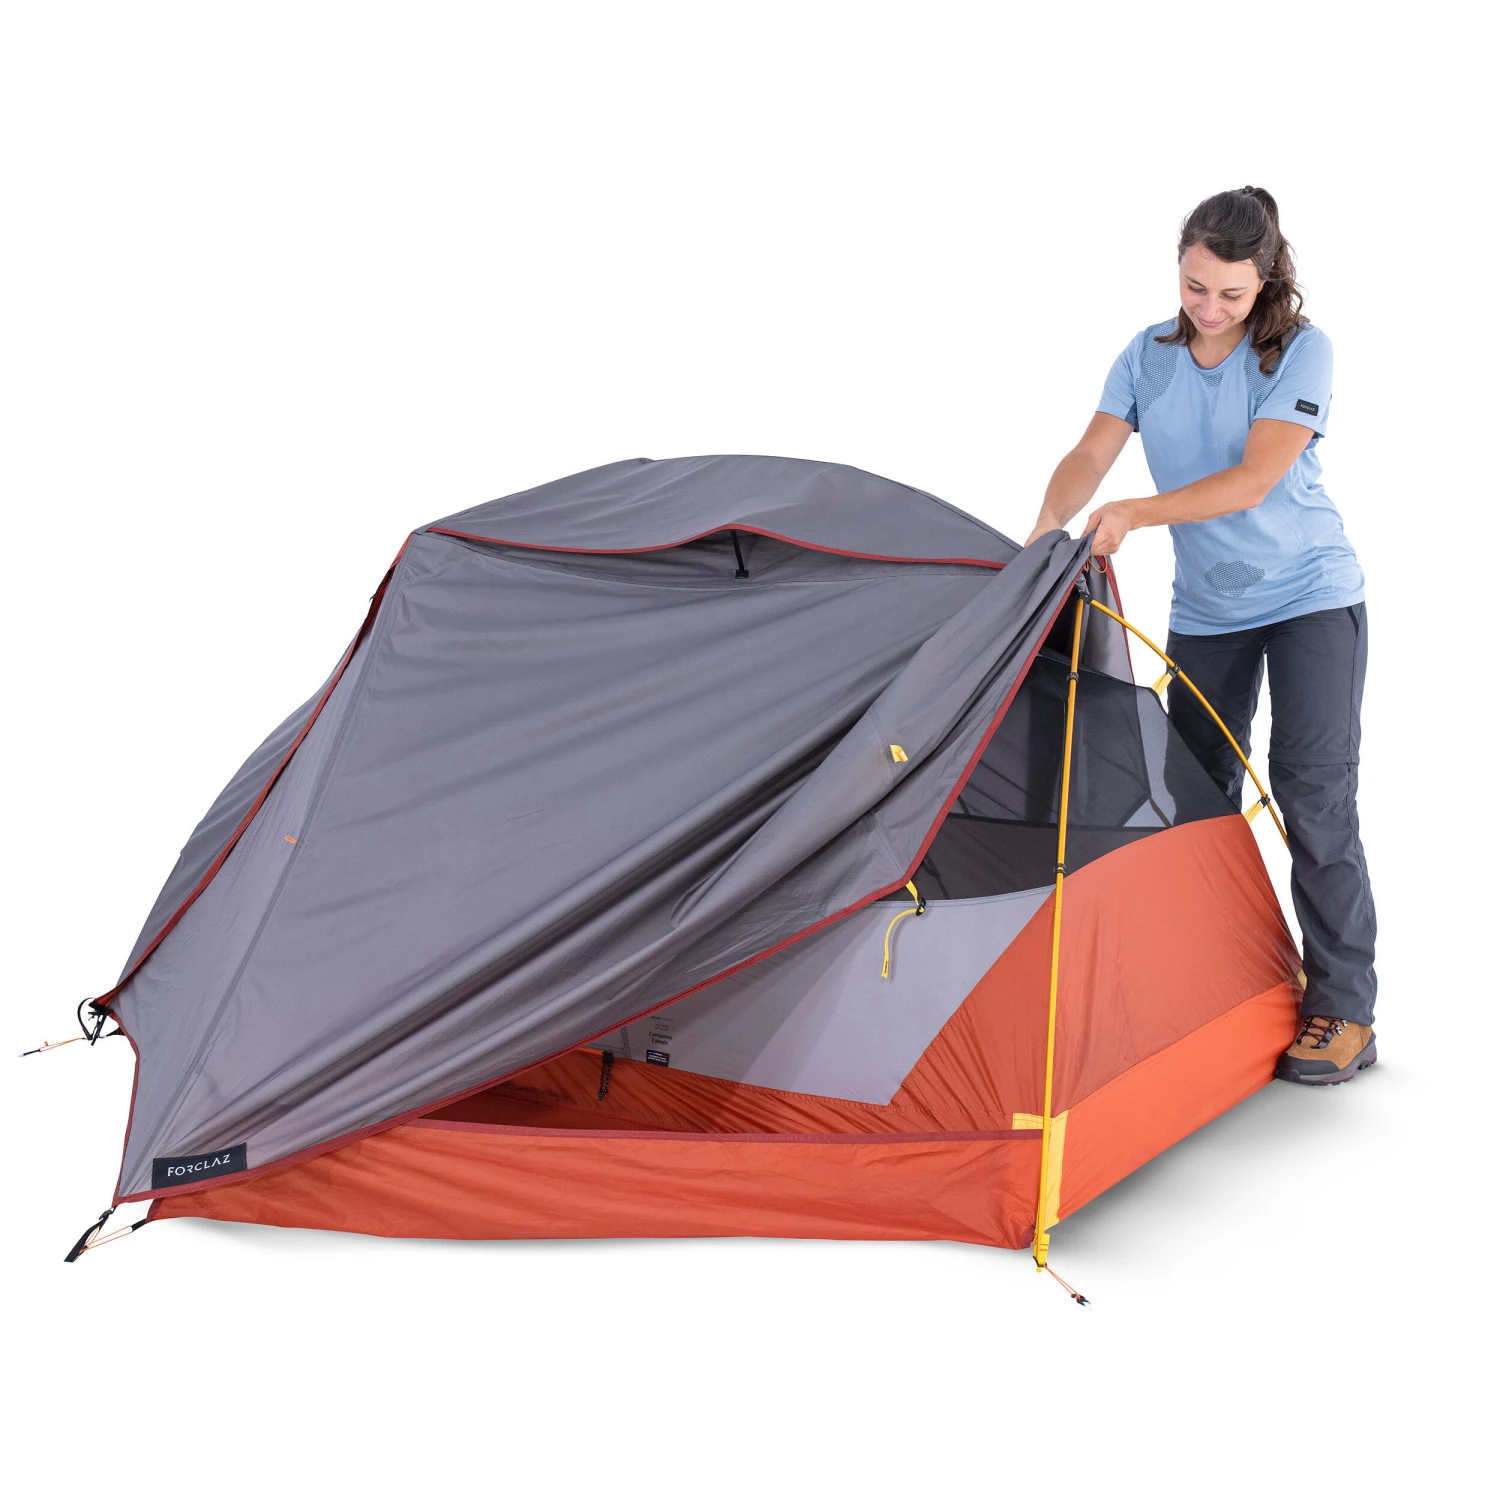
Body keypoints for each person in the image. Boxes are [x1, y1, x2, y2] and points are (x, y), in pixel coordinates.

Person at [1025, 186, 1376, 1085]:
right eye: (1194, 287)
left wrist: (1136, 514)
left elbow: (1256, 479)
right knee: (1191, 799)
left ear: (1265, 280)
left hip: (1309, 598)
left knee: (1312, 795)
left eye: (1230, 293)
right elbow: (1091, 454)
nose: (1210, 308)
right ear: (1178, 268)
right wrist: (1045, 528)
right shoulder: (1146, 355)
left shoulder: (1301, 350)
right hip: (1209, 612)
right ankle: (1209, 986)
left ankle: (1344, 1009)